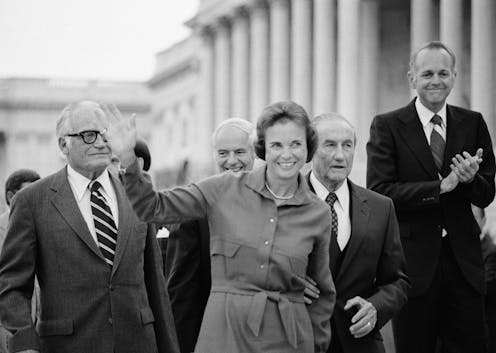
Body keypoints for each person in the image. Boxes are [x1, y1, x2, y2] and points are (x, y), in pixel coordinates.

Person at [106, 101, 336, 353]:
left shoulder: (318, 212)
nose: (286, 154)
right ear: (263, 149)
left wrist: (316, 344)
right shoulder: (222, 188)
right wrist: (128, 159)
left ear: (308, 148)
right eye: (276, 145)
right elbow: (154, 207)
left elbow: (323, 294)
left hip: (290, 341)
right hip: (224, 336)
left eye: (295, 144)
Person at [0, 101, 179, 353]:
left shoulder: (136, 194)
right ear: (64, 144)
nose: (101, 142)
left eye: (107, 134)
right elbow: (12, 285)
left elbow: (155, 282)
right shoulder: (32, 201)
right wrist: (23, 344)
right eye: (88, 135)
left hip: (138, 343)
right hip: (68, 345)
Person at [366, 41, 496, 353]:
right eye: (426, 74)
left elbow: (487, 192)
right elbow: (380, 192)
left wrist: (468, 181)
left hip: (465, 264)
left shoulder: (473, 122)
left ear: (454, 76)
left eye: (442, 73)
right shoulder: (387, 126)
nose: (435, 80)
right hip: (413, 267)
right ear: (412, 78)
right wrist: (439, 188)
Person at [308, 113, 409, 353]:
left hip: (361, 343)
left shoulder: (381, 207)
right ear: (311, 149)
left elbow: (398, 280)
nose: (340, 155)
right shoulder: (287, 203)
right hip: (303, 340)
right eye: (330, 145)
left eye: (347, 145)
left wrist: (376, 307)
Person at [165, 117, 256, 353]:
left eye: (239, 151)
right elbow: (182, 293)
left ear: (255, 153)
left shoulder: (277, 203)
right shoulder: (195, 207)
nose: (231, 161)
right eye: (223, 153)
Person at [0, 169, 40, 353]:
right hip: (8, 328)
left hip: (42, 326)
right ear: (11, 196)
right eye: (29, 193)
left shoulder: (44, 226)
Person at [0, 169, 41, 252]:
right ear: (10, 197)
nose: (35, 201)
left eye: (38, 195)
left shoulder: (45, 226)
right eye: (28, 196)